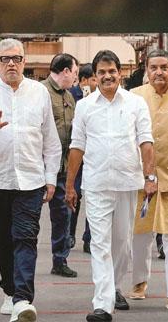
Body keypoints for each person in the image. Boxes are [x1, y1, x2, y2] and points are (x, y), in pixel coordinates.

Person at [0, 38, 60, 322]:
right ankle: (9, 289)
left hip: (31, 180)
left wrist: (51, 177)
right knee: (4, 237)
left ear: (24, 62)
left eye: (16, 58)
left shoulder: (39, 93)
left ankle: (22, 299)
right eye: (5, 59)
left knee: (26, 237)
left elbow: (51, 141)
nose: (11, 64)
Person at [65, 50, 155, 322]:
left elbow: (146, 141)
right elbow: (77, 146)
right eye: (101, 72)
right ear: (94, 76)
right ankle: (103, 304)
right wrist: (70, 186)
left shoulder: (136, 103)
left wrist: (150, 177)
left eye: (111, 71)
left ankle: (114, 286)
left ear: (120, 73)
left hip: (128, 182)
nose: (107, 76)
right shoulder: (85, 106)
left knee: (123, 244)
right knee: (100, 244)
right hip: (96, 184)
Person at [127, 49, 168, 314]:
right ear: (146, 69)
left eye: (164, 67)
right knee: (140, 234)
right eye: (153, 67)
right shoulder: (133, 97)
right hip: (141, 178)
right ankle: (139, 281)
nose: (159, 73)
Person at [41, 53, 79, 278]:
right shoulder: (40, 93)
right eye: (74, 73)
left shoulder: (69, 96)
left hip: (63, 168)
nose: (75, 78)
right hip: (40, 167)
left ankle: (60, 259)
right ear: (65, 71)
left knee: (62, 215)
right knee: (30, 217)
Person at [69, 64, 98, 253]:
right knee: (75, 196)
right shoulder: (71, 95)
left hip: (94, 157)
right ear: (84, 80)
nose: (97, 83)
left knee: (92, 199)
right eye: (94, 79)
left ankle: (89, 238)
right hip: (78, 155)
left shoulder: (100, 98)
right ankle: (70, 234)